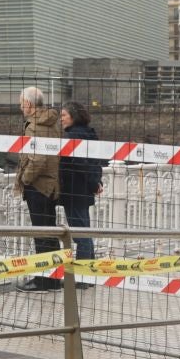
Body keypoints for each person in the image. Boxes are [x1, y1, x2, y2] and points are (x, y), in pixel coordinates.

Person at [16, 86, 63, 293]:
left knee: (41, 234)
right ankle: (54, 279)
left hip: (38, 186)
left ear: (28, 104)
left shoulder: (34, 126)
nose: (20, 107)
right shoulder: (53, 122)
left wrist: (25, 179)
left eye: (21, 103)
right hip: (52, 184)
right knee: (51, 232)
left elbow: (38, 159)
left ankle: (42, 280)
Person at [57, 101, 104, 285]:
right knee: (84, 231)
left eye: (63, 115)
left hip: (74, 191)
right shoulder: (90, 134)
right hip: (84, 190)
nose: (61, 119)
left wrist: (93, 182)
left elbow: (81, 164)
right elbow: (95, 162)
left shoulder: (73, 136)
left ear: (73, 116)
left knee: (80, 234)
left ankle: (84, 277)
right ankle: (89, 275)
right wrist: (96, 182)